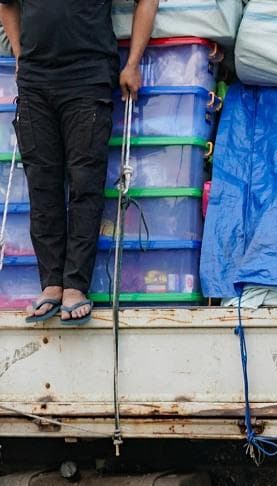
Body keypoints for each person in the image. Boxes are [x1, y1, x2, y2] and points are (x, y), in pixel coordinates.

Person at [0, 0, 159, 325]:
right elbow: (6, 5)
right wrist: (19, 53)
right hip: (35, 81)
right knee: (42, 186)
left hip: (88, 78)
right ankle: (51, 285)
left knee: (85, 184)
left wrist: (132, 63)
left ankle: (75, 286)